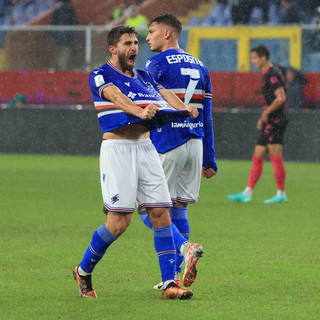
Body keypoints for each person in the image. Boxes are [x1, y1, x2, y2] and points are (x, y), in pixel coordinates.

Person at [73, 25, 202, 300]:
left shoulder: (144, 76)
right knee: (118, 224)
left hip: (146, 147)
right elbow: (114, 96)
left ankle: (170, 284)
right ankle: (83, 271)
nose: (134, 48)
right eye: (127, 43)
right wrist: (139, 111)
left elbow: (164, 94)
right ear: (113, 48)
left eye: (135, 42)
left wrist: (183, 108)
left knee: (161, 214)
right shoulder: (100, 74)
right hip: (117, 149)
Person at [139, 14, 217, 290]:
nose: (146, 37)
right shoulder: (201, 65)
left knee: (150, 210)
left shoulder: (155, 63)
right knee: (179, 207)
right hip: (195, 143)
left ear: (168, 34)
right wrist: (210, 157)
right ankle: (177, 274)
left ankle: (185, 248)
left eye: (151, 32)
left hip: (168, 142)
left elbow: (147, 103)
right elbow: (207, 116)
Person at [228, 45, 288, 203]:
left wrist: (265, 113)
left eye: (254, 58)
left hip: (276, 121)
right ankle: (247, 193)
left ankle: (281, 194)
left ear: (264, 58)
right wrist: (264, 117)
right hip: (269, 121)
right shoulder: (268, 73)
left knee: (275, 157)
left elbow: (281, 98)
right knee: (258, 156)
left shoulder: (272, 74)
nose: (253, 61)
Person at [51, 0, 78, 70]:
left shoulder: (58, 11)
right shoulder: (69, 10)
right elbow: (74, 23)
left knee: (61, 55)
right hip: (66, 39)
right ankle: (62, 70)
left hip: (60, 39)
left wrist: (54, 36)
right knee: (64, 55)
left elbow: (53, 24)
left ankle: (61, 70)